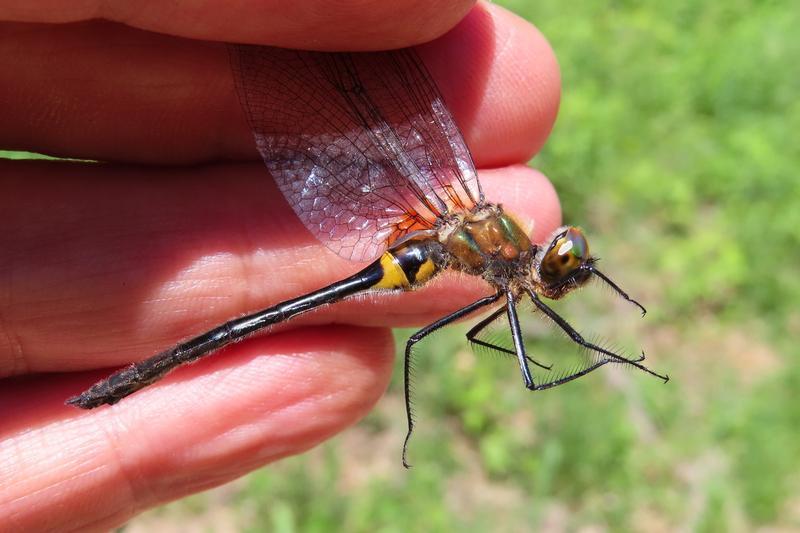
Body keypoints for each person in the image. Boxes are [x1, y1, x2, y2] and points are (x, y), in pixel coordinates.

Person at [0, 1, 562, 529]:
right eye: (565, 263)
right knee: (249, 332)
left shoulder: (503, 255)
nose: (563, 270)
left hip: (427, 239)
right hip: (424, 240)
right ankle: (133, 377)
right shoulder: (502, 249)